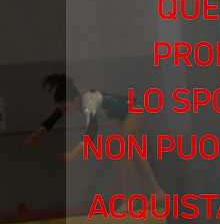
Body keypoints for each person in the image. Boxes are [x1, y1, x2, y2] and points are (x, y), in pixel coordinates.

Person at [27, 73, 164, 201]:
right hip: (125, 116)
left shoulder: (89, 100)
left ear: (74, 99)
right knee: (135, 156)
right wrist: (40, 132)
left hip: (133, 110)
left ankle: (130, 200)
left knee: (126, 154)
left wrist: (73, 153)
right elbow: (54, 117)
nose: (65, 111)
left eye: (65, 107)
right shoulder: (75, 99)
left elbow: (92, 131)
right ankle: (157, 193)